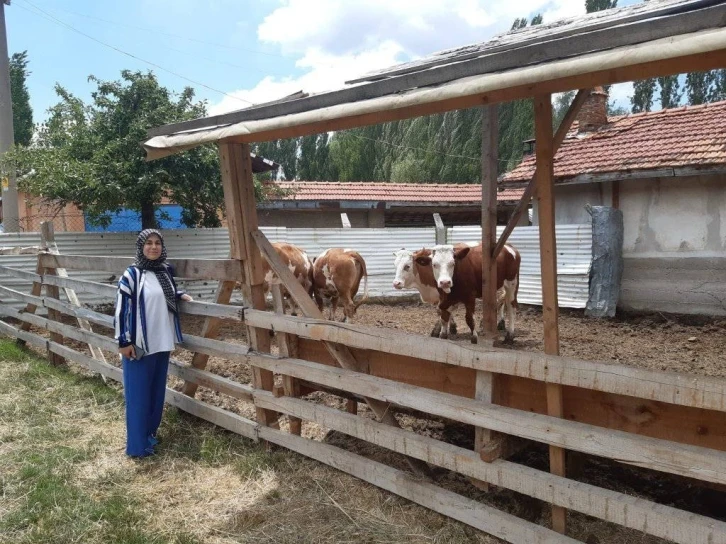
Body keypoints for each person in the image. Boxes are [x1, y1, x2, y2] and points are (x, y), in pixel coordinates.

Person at [114, 229, 192, 457]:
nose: (153, 247)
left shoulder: (165, 271)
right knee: (138, 397)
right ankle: (137, 448)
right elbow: (121, 310)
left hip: (162, 342)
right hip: (139, 345)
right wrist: (123, 341)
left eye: (157, 243)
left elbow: (164, 293)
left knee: (156, 394)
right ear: (141, 247)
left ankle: (150, 436)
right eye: (148, 243)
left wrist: (179, 295)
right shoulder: (132, 275)